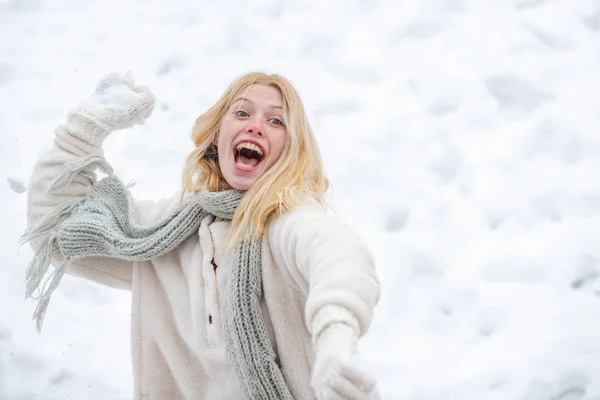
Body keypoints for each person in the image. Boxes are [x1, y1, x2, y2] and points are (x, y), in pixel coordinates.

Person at [23, 71, 381, 400]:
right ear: (216, 136)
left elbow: (337, 254)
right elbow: (56, 228)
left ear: (291, 150)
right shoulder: (161, 233)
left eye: (275, 120)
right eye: (242, 113)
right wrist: (80, 133)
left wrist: (336, 332)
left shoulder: (288, 223)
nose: (256, 126)